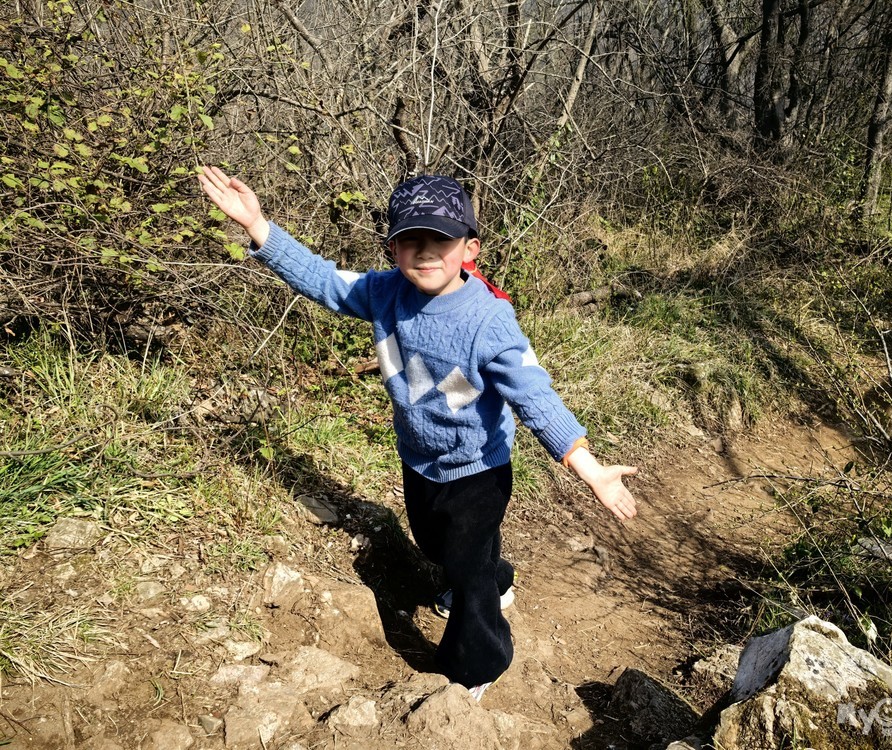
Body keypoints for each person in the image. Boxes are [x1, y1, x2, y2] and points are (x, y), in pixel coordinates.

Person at [197, 166, 638, 700]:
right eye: (411, 240)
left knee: (466, 572)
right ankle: (495, 576)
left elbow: (535, 396)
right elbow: (322, 279)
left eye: (441, 240)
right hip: (420, 457)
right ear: (393, 249)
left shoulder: (488, 321)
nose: (426, 252)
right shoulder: (384, 293)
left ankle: (480, 663)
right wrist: (257, 225)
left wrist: (589, 468)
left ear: (469, 249)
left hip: (478, 468)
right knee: (436, 545)